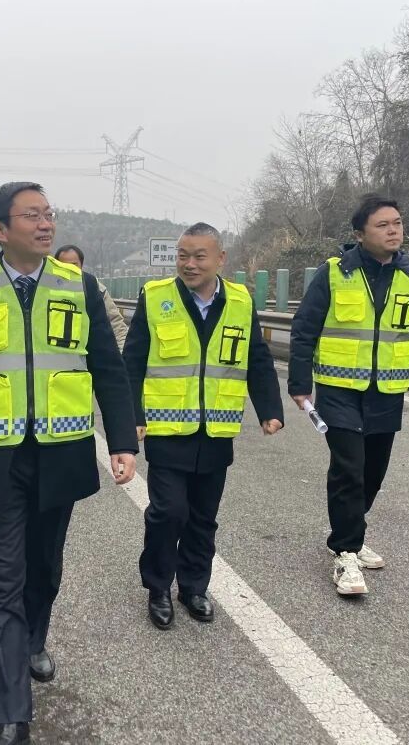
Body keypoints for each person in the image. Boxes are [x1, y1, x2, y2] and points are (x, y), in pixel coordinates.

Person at [0, 182, 138, 745]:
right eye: (32, 215)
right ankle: (8, 711)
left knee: (43, 567)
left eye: (49, 214)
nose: (46, 223)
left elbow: (107, 366)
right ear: (1, 229)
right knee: (2, 577)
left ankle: (33, 640)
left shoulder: (79, 285)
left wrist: (122, 439)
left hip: (60, 452)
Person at [123, 222, 284, 630]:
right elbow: (133, 363)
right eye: (183, 256)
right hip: (167, 430)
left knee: (202, 517)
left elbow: (257, 359)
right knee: (168, 512)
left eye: (199, 256)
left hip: (216, 431)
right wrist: (133, 416)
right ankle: (158, 587)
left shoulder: (240, 302)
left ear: (220, 259)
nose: (189, 264)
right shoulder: (155, 297)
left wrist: (269, 408)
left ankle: (194, 587)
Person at [288, 194, 409, 596]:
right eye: (383, 225)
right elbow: (304, 330)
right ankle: (346, 553)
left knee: (373, 472)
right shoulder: (333, 274)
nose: (393, 230)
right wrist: (299, 385)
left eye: (397, 223)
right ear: (360, 234)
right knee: (349, 468)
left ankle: (350, 533)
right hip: (339, 390)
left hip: (387, 393)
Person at [54, 244, 128, 349]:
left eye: (74, 265)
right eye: (64, 265)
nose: (70, 269)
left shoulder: (95, 288)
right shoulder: (47, 288)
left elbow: (115, 323)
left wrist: (122, 351)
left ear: (81, 265)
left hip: (91, 351)